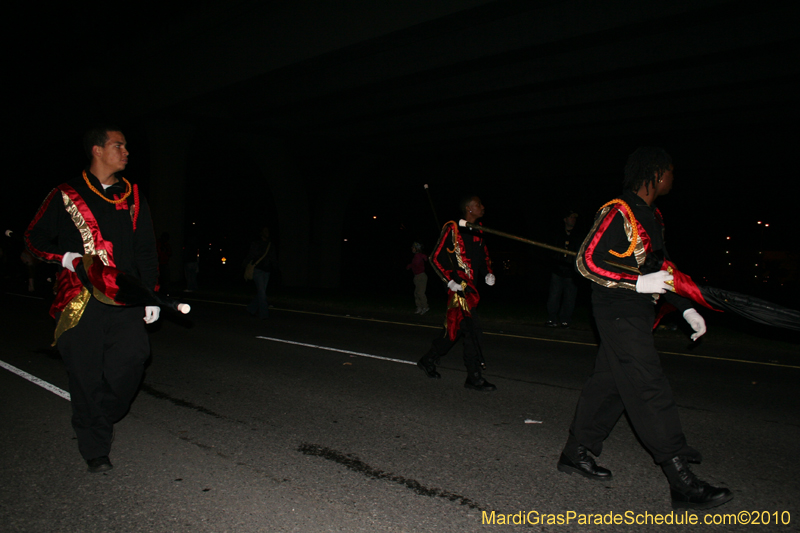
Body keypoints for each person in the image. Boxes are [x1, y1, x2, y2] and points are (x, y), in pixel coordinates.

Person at [556, 147, 733, 510]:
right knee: (648, 384)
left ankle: (576, 452)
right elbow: (587, 261)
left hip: (638, 311)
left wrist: (685, 309)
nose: (672, 178)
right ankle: (680, 480)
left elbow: (662, 269)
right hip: (615, 308)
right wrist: (636, 283)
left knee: (611, 384)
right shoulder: (617, 210)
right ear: (654, 174)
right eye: (669, 171)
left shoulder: (654, 217)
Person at [25, 126, 160, 473]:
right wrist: (65, 259)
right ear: (98, 150)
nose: (126, 151)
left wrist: (151, 296)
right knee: (84, 375)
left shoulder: (133, 196)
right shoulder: (65, 193)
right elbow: (34, 238)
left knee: (134, 358)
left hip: (125, 296)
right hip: (79, 299)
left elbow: (146, 250)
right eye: (119, 145)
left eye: (127, 146)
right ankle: (95, 449)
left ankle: (99, 413)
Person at [417, 195, 496, 391]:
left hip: (472, 289)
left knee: (454, 331)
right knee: (473, 331)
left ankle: (428, 359)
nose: (482, 207)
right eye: (479, 205)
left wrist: (488, 273)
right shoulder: (452, 227)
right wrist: (449, 281)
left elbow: (483, 256)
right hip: (458, 289)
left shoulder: (479, 230)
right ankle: (474, 376)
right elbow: (435, 257)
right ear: (469, 208)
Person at [545, 209, 581, 328]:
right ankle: (552, 318)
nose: (573, 220)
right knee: (554, 295)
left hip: (571, 272)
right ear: (565, 219)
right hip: (558, 270)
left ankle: (565, 319)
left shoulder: (578, 235)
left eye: (574, 218)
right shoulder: (557, 233)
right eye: (571, 217)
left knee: (570, 297)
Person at [245, 226, 277, 319]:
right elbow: (251, 254)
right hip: (258, 270)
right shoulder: (256, 243)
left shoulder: (270, 245)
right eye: (265, 231)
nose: (267, 233)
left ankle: (251, 308)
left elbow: (273, 258)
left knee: (261, 292)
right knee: (262, 294)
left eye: (268, 231)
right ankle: (264, 315)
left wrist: (275, 268)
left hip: (267, 271)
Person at [406, 242, 429, 315]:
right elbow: (414, 264)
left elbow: (425, 258)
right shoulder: (416, 256)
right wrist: (409, 266)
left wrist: (425, 258)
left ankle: (425, 307)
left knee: (420, 293)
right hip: (416, 276)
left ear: (417, 249)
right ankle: (419, 307)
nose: (412, 249)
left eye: (413, 247)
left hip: (421, 276)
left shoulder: (420, 255)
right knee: (416, 293)